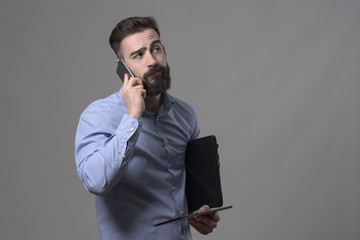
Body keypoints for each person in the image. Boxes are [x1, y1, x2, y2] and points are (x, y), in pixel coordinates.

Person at [75, 16, 220, 239]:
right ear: (122, 67)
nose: (152, 61)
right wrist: (132, 116)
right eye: (138, 55)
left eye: (156, 49)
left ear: (164, 51)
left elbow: (187, 187)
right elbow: (95, 182)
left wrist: (199, 211)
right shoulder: (98, 116)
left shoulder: (185, 115)